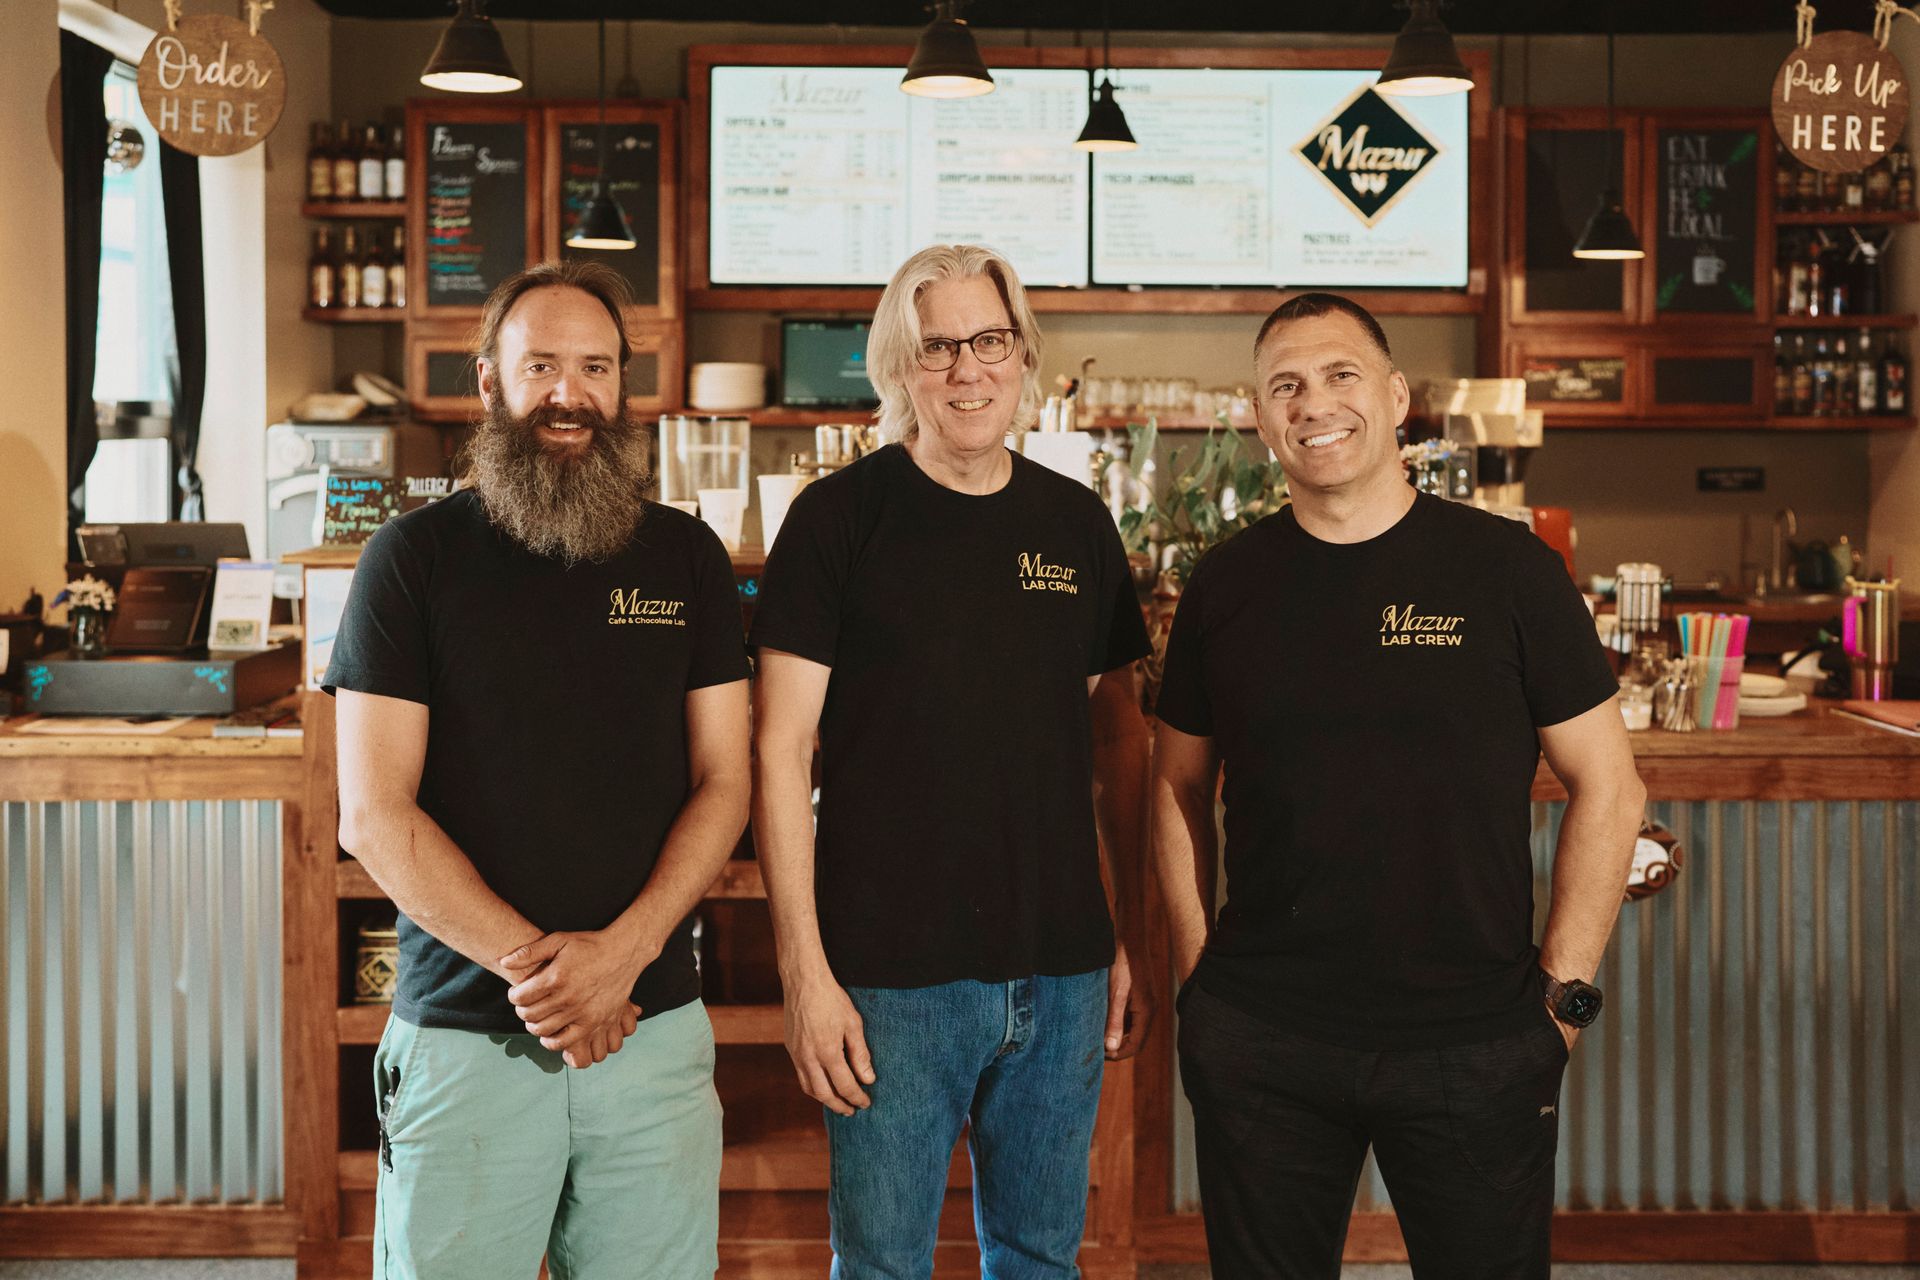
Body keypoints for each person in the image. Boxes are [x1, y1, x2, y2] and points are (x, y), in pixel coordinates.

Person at [1152, 292, 1645, 1279]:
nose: (1313, 403)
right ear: (1259, 416)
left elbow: (1611, 786)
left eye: (1340, 374)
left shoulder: (1506, 569)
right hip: (1264, 1041)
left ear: (1396, 395)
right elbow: (1174, 789)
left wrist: (1564, 997)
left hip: (1475, 1039)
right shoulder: (1225, 584)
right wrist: (1199, 980)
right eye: (1284, 385)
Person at [327, 260, 751, 1279]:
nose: (570, 395)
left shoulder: (686, 558)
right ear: (488, 382)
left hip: (649, 1033)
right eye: (542, 366)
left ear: (622, 385)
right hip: (469, 1038)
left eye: (595, 367)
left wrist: (623, 957)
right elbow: (375, 815)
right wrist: (557, 979)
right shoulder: (410, 559)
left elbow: (725, 780)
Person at [750, 243, 1154, 1279]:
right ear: (897, 365)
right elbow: (780, 747)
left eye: (988, 342)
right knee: (881, 1265)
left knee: (1039, 1259)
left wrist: (1118, 935)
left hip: (1060, 973)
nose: (966, 371)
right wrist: (806, 970)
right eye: (937, 348)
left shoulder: (1076, 525)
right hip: (891, 980)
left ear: (1022, 356)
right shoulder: (838, 521)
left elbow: (1114, 741)